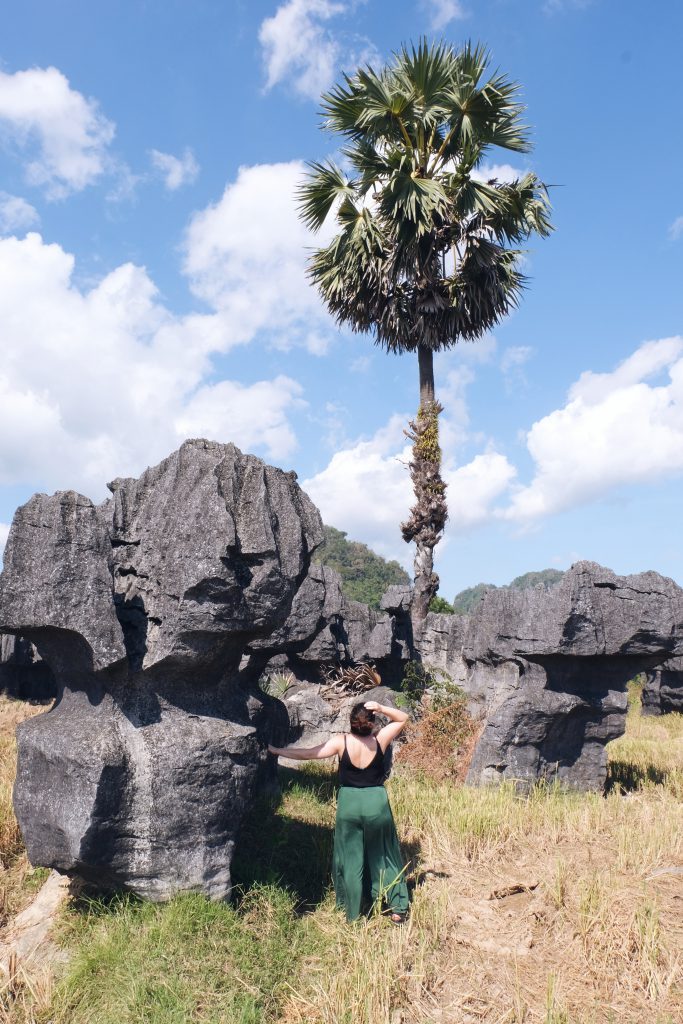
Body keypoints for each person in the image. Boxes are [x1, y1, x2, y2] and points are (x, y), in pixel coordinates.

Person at [268, 697, 410, 924]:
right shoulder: (380, 739)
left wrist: (277, 751)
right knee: (385, 854)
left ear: (351, 722)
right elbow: (403, 718)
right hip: (376, 802)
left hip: (349, 804)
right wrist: (382, 708)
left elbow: (308, 754)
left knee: (351, 859)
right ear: (372, 724)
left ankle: (353, 913)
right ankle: (397, 909)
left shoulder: (340, 742)